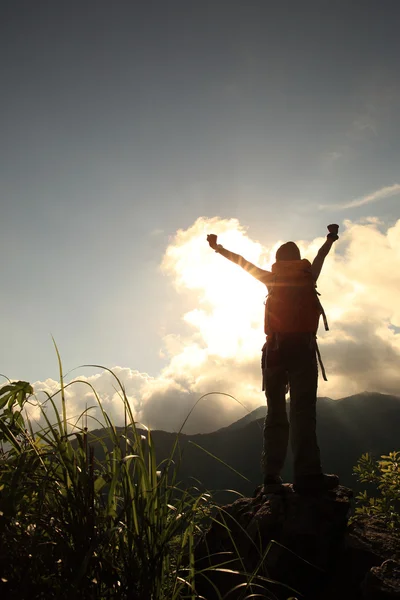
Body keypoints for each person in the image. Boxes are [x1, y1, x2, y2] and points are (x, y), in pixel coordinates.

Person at [207, 225, 340, 494]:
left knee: (276, 415)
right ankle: (308, 475)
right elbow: (322, 255)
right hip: (302, 351)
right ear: (297, 258)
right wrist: (330, 238)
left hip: (274, 353)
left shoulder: (272, 278)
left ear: (278, 261)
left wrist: (218, 248)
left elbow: (242, 263)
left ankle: (271, 476)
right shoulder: (308, 275)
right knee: (303, 413)